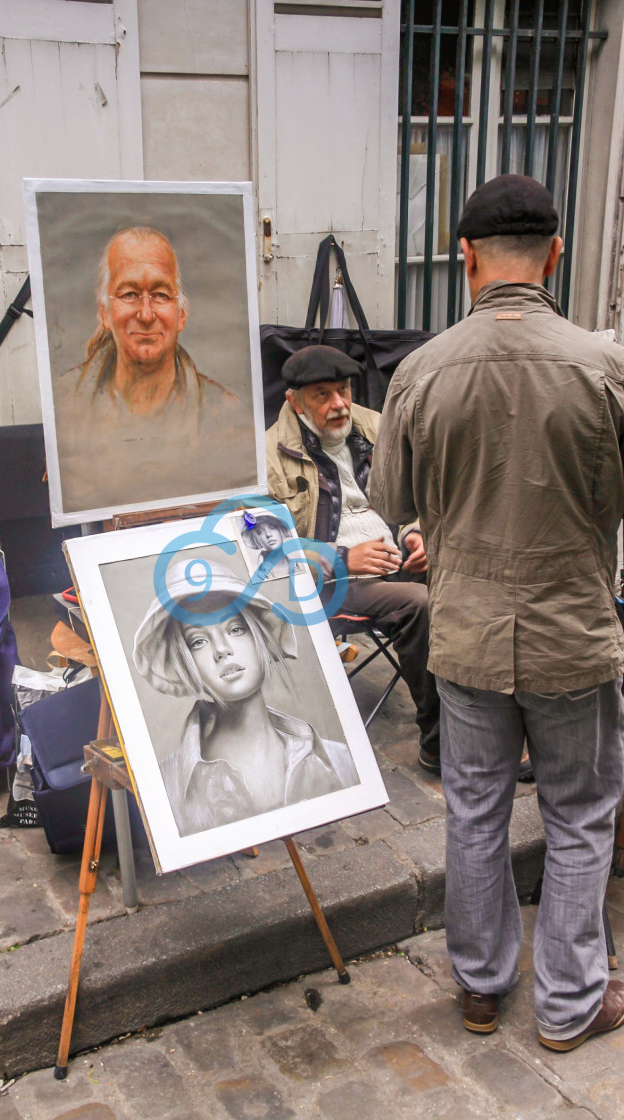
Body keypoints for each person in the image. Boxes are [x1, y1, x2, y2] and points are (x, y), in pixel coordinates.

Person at [369, 174, 624, 1050]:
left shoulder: (419, 371)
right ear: (555, 252)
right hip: (572, 633)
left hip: (467, 632)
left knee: (472, 811)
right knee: (580, 813)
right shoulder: (603, 366)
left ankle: (480, 989)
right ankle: (568, 1004)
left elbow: (391, 498)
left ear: (464, 256)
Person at [266, 344, 441, 774]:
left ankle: (487, 722)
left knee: (468, 577)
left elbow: (418, 493)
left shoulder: (374, 427)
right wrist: (343, 558)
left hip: (393, 555)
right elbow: (271, 554)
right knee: (419, 604)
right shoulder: (269, 455)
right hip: (328, 584)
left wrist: (415, 532)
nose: (339, 404)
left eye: (343, 390)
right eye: (323, 395)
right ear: (296, 402)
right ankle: (440, 742)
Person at [132, 558, 358, 836]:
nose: (222, 650)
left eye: (236, 629)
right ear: (184, 660)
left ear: (260, 636)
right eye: (198, 641)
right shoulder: (165, 786)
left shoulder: (338, 758)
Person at [54, 226, 252, 512]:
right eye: (129, 294)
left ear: (181, 315)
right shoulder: (63, 405)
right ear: (104, 314)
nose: (146, 315)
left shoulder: (229, 417)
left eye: (160, 295)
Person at [240, 513, 295, 580]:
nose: (268, 534)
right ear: (256, 539)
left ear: (280, 531)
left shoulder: (296, 564)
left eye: (272, 528)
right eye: (260, 532)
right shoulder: (255, 571)